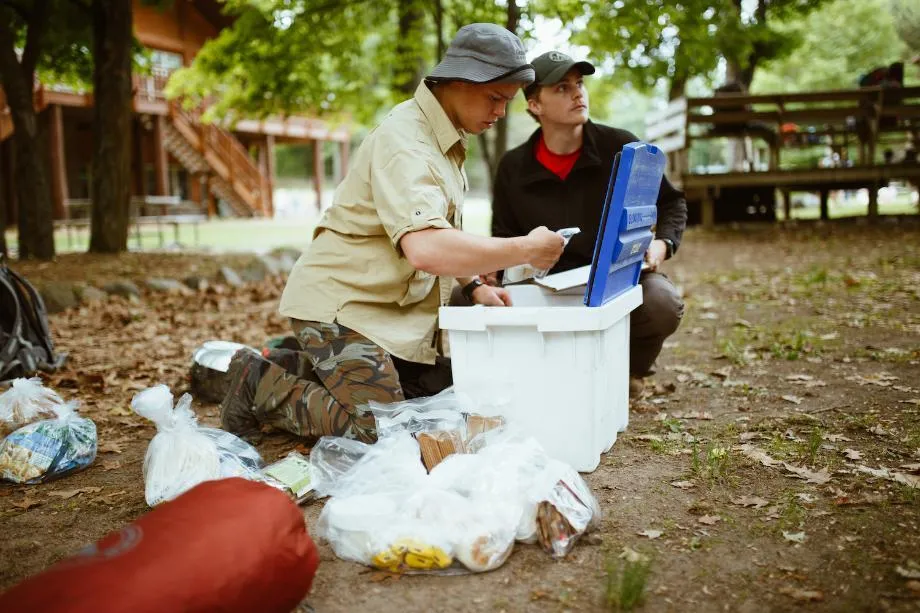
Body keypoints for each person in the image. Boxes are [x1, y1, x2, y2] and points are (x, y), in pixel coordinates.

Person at [219, 24, 565, 443]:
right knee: (381, 431)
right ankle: (256, 382)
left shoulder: (444, 138)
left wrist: (473, 285)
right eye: (495, 98)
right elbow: (424, 249)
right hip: (344, 307)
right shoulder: (407, 142)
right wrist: (525, 248)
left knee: (439, 394)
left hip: (387, 312)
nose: (501, 112)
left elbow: (440, 228)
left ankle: (299, 364)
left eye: (508, 101)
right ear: (458, 80)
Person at [488, 51, 686, 393]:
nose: (578, 93)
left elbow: (672, 202)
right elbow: (503, 236)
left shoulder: (621, 147)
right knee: (471, 298)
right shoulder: (512, 166)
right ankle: (545, 376)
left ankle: (627, 373)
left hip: (615, 281)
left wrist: (661, 244)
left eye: (579, 84)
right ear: (535, 105)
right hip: (542, 286)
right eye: (562, 88)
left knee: (662, 303)